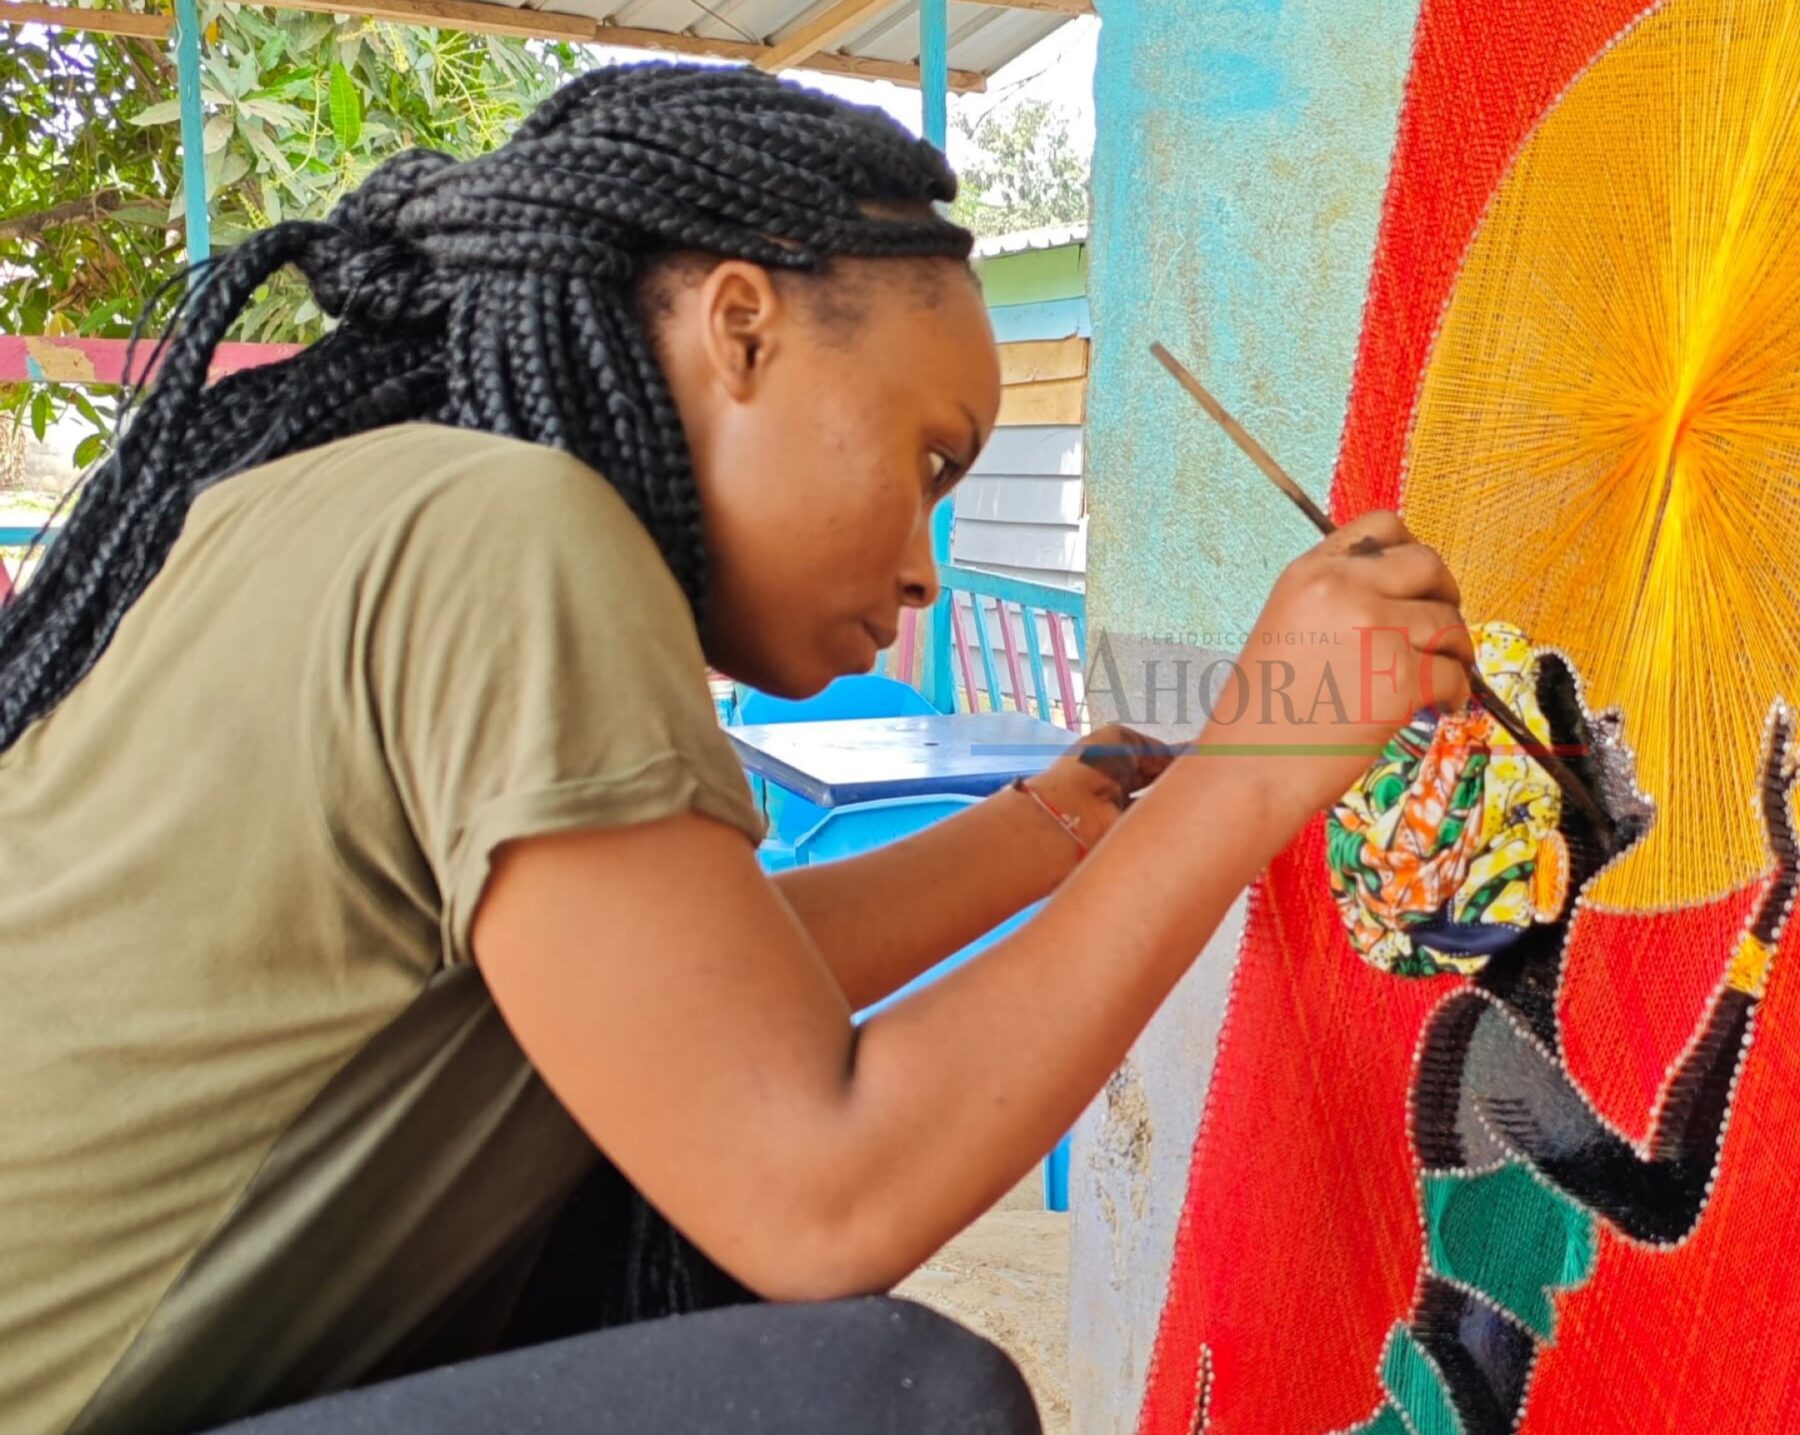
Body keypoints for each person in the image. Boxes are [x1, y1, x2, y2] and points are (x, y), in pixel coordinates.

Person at [0, 64, 1474, 1435]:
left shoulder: (369, 504)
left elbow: (686, 994)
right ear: (741, 327)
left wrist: (1056, 825)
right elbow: (820, 1192)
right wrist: (1259, 760)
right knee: (890, 1396)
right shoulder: (506, 532)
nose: (927, 567)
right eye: (929, 461)